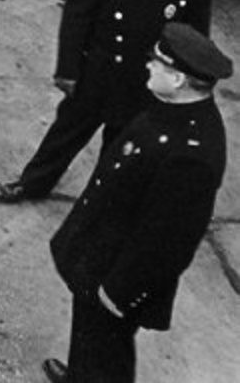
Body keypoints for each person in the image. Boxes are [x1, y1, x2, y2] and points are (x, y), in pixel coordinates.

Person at [41, 24, 230, 383]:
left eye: (156, 63)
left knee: (108, 355)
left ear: (177, 80)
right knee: (88, 338)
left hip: (118, 277)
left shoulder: (193, 156)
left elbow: (167, 245)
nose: (149, 67)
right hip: (98, 255)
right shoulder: (169, 105)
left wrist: (118, 293)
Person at [0, 0, 211, 204]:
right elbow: (76, 19)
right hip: (97, 73)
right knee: (65, 135)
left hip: (145, 84)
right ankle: (32, 183)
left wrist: (181, 94)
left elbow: (195, 41)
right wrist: (67, 70)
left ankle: (99, 200)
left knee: (120, 150)